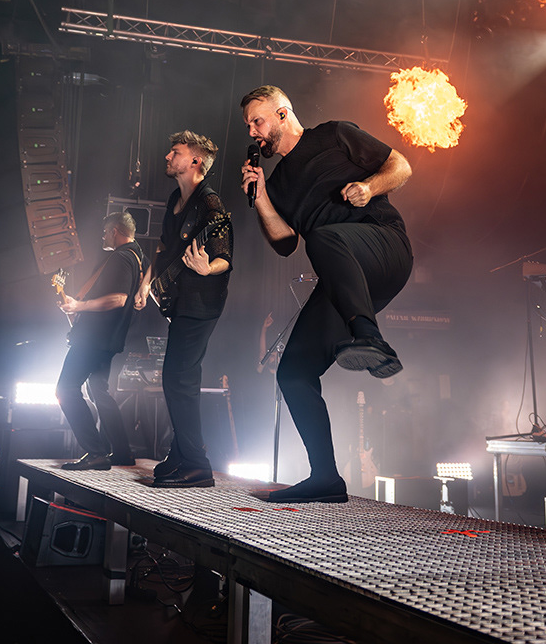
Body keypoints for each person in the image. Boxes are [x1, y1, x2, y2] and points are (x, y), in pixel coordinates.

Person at [239, 85, 413, 503]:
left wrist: (370, 188)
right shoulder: (278, 182)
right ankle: (326, 479)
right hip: (342, 277)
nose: (253, 132)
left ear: (283, 114)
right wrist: (261, 197)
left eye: (257, 121)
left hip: (384, 246)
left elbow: (401, 166)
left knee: (324, 237)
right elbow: (285, 244)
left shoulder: (334, 134)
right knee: (293, 373)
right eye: (248, 126)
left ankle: (370, 339)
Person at [135, 131, 233, 488]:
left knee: (179, 378)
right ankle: (180, 455)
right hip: (179, 301)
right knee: (176, 377)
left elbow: (224, 258)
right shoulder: (176, 198)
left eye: (174, 151)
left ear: (195, 161)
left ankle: (197, 464)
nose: (167, 156)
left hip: (201, 302)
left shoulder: (210, 204)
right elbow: (164, 247)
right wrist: (146, 282)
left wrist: (208, 267)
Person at [55, 212, 148, 471]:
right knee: (98, 390)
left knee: (65, 389)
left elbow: (118, 299)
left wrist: (79, 305)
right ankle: (122, 452)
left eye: (106, 232)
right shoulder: (139, 257)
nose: (103, 236)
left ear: (115, 231)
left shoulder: (121, 257)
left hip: (94, 339)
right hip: (109, 340)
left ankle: (96, 452)